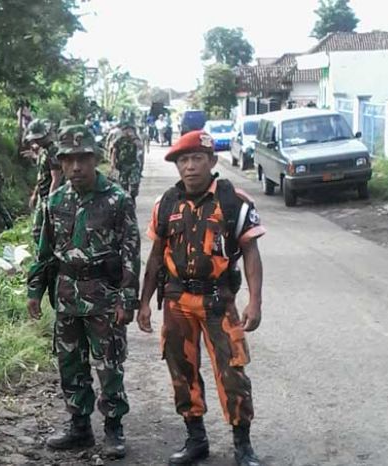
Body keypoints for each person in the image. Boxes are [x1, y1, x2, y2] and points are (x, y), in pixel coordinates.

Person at [137, 130, 265, 466]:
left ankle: (243, 446)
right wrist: (145, 302)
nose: (190, 166)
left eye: (196, 159)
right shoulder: (165, 204)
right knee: (181, 370)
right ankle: (196, 440)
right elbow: (154, 256)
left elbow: (251, 252)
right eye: (183, 160)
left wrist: (255, 301)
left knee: (232, 371)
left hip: (218, 302)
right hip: (177, 301)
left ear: (212, 161)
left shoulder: (234, 201)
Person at [27, 125, 141, 459]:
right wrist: (34, 290)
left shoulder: (117, 200)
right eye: (69, 159)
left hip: (104, 296)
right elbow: (44, 251)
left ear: (96, 159)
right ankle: (79, 426)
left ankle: (113, 429)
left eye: (83, 158)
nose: (76, 166)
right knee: (70, 363)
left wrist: (127, 298)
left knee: (109, 365)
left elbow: (130, 252)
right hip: (66, 296)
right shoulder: (55, 201)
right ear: (60, 163)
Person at [25, 119, 62, 246]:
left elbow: (56, 178)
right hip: (43, 194)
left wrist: (51, 201)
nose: (35, 141)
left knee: (47, 230)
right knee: (37, 231)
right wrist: (35, 194)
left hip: (51, 196)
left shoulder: (53, 151)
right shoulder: (42, 151)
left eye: (38, 138)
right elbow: (42, 176)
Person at [109, 121, 144, 202]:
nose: (127, 132)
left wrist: (134, 138)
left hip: (134, 165)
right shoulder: (119, 140)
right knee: (123, 185)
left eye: (129, 130)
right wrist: (112, 164)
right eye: (125, 130)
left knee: (134, 184)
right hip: (122, 165)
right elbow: (114, 152)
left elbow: (140, 147)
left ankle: (133, 198)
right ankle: (126, 201)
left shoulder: (135, 139)